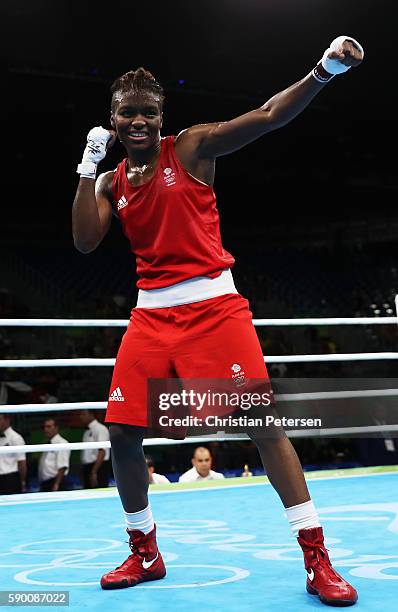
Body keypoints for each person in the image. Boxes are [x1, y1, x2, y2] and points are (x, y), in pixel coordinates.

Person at [72, 35, 363, 606]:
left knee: (262, 424)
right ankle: (145, 550)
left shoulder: (194, 148)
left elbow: (269, 115)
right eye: (127, 113)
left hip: (214, 307)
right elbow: (84, 242)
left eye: (148, 113)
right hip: (151, 313)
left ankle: (316, 557)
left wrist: (325, 70)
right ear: (112, 119)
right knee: (124, 433)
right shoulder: (111, 182)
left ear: (162, 117)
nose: (138, 122)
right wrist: (87, 166)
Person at [79, 410, 110, 488]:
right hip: (88, 468)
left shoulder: (100, 429)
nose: (81, 417)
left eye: (83, 414)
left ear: (91, 414)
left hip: (98, 468)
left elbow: (102, 451)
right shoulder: (86, 431)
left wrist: (94, 472)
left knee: (99, 494)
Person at [38, 418, 70, 492]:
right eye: (44, 427)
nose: (46, 429)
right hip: (45, 483)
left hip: (55, 482)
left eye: (49, 427)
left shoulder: (62, 443)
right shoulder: (48, 443)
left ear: (56, 428)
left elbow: (63, 466)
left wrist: (56, 484)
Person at [0, 413, 27, 494]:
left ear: (7, 420)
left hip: (10, 479)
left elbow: (22, 462)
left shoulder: (16, 438)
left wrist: (22, 481)